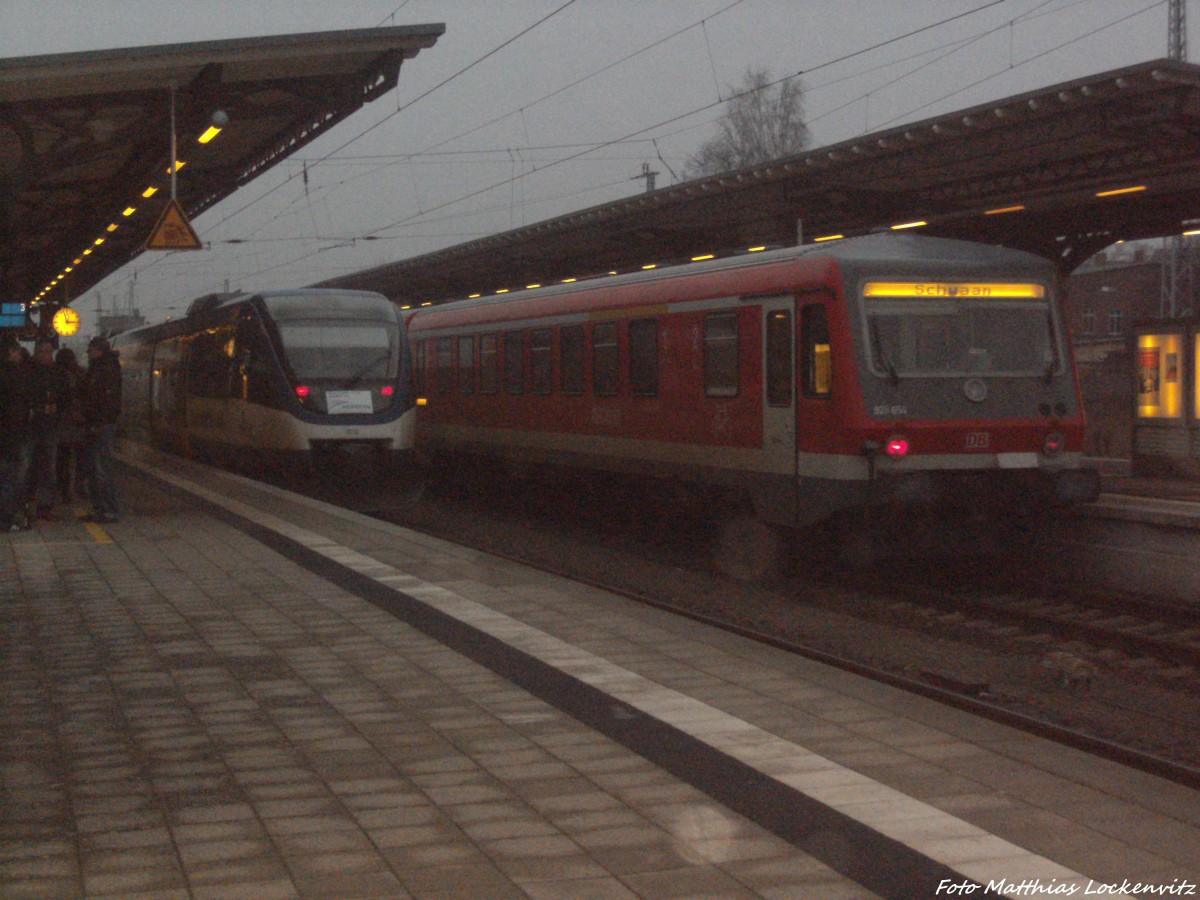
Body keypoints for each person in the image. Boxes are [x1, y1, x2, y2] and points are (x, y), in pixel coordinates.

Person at [79, 335, 122, 524]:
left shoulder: (107, 370)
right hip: (95, 424)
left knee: (101, 468)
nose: (89, 353)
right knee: (93, 468)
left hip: (102, 425)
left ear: (99, 351)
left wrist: (98, 421)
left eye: (92, 350)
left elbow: (106, 401)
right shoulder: (97, 369)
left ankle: (109, 509)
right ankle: (100, 508)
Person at [25, 339, 68, 521]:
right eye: (42, 352)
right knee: (27, 465)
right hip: (31, 425)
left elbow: (66, 397)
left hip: (50, 425)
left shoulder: (58, 373)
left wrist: (57, 408)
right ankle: (25, 504)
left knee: (48, 468)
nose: (45, 355)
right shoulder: (28, 372)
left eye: (48, 351)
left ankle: (44, 506)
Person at [0, 337, 33, 532]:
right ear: (10, 352)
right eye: (17, 350)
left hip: (5, 434)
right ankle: (9, 518)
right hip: (14, 434)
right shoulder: (16, 375)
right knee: (12, 479)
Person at [54, 347, 86, 504]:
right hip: (79, 423)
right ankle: (79, 486)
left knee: (63, 459)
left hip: (62, 423)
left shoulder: (56, 375)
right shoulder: (81, 374)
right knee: (81, 458)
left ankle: (65, 490)